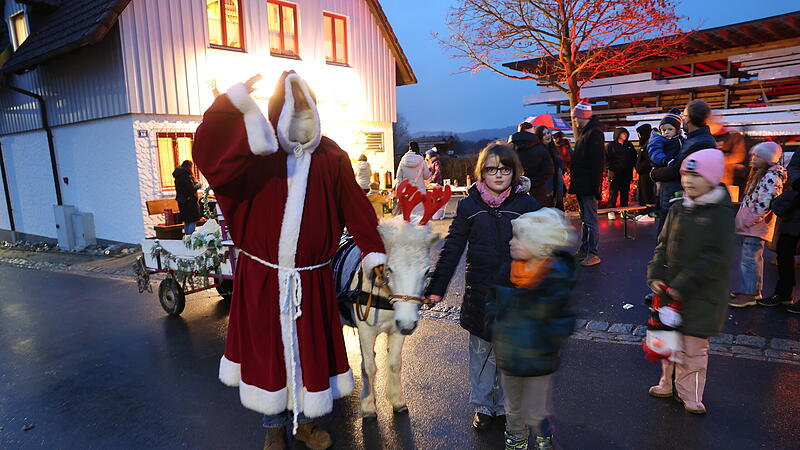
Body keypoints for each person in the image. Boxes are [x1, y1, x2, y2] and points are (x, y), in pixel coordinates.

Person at [192, 72, 387, 450]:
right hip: (264, 278)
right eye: (292, 113)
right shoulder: (259, 153)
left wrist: (371, 249)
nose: (300, 120)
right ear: (277, 117)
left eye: (306, 112)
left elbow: (355, 207)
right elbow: (210, 156)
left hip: (311, 279)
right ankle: (273, 426)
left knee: (310, 351)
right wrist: (232, 106)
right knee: (271, 354)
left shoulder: (332, 156)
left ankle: (305, 423)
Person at [425, 142, 540, 431]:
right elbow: (452, 247)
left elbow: (545, 246)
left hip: (515, 295)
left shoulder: (526, 205)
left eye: (504, 169)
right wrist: (437, 286)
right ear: (481, 172)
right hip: (481, 294)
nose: (498, 175)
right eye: (491, 170)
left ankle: (503, 406)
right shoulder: (470, 205)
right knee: (481, 353)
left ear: (514, 171)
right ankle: (483, 406)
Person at [647, 149, 735, 415]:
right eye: (686, 175)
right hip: (670, 294)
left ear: (711, 178)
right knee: (668, 343)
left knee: (694, 349)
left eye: (695, 176)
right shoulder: (677, 208)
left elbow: (715, 257)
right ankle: (667, 383)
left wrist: (682, 284)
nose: (688, 181)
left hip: (701, 296)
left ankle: (691, 393)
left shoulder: (720, 213)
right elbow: (662, 245)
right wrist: (655, 274)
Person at [485, 208, 577, 450]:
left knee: (536, 409)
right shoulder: (508, 271)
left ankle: (543, 431)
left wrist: (549, 339)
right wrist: (493, 320)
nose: (510, 241)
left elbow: (564, 318)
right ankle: (516, 439)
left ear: (539, 244)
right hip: (509, 355)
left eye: (518, 238)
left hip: (538, 359)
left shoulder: (554, 278)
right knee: (512, 407)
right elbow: (492, 299)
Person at [730, 142, 786, 307]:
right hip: (752, 225)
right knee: (750, 259)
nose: (752, 159)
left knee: (749, 260)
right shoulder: (763, 174)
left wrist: (747, 221)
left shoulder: (771, 177)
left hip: (755, 226)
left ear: (768, 159)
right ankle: (751, 290)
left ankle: (750, 294)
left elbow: (763, 205)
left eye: (757, 157)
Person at [650, 100, 717, 234]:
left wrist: (654, 173)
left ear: (690, 119)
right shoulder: (694, 139)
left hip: (680, 198)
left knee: (669, 239)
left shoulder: (699, 143)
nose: (683, 120)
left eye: (684, 116)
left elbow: (677, 170)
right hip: (675, 197)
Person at [759, 148, 800, 314]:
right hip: (797, 206)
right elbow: (795, 166)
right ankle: (783, 292)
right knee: (784, 250)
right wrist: (798, 181)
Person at [569, 99, 604, 267]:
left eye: (575, 118)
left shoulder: (593, 133)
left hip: (588, 185)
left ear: (582, 117)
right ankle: (584, 249)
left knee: (590, 220)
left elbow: (597, 163)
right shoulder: (586, 133)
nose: (574, 121)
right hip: (582, 184)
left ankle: (593, 253)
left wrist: (595, 187)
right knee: (585, 219)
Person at [648, 108, 686, 230]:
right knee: (665, 202)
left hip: (675, 177)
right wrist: (665, 160)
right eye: (664, 130)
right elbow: (655, 152)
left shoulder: (680, 140)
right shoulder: (659, 140)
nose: (666, 132)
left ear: (677, 130)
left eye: (670, 129)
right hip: (666, 172)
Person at [509, 122, 554, 206]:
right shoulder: (540, 148)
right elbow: (549, 170)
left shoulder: (510, 149)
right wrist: (532, 183)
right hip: (538, 191)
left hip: (515, 191)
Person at [605, 127, 637, 212]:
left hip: (627, 173)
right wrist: (611, 167)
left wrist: (633, 166)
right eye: (623, 133)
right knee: (613, 193)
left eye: (626, 133)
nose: (625, 135)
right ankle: (611, 211)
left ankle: (624, 211)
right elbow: (605, 159)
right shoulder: (611, 146)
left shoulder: (629, 145)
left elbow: (634, 157)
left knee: (625, 193)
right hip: (615, 173)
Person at [534, 125, 565, 209]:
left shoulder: (553, 150)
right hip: (547, 189)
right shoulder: (539, 152)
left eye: (548, 133)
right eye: (544, 134)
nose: (547, 135)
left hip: (557, 186)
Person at [172, 160, 202, 235]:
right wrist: (199, 185)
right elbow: (191, 188)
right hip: (190, 202)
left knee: (187, 221)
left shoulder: (178, 175)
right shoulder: (186, 175)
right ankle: (190, 238)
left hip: (181, 201)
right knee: (192, 220)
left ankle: (186, 238)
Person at [634, 123, 656, 216]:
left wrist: (639, 167)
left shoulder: (649, 144)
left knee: (648, 192)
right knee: (643, 192)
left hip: (647, 173)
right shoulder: (643, 144)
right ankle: (643, 211)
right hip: (642, 173)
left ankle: (649, 212)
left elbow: (647, 160)